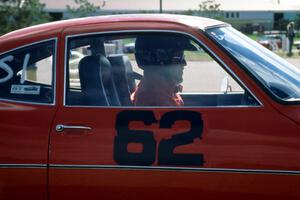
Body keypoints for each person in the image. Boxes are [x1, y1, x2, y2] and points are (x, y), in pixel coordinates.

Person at [131, 34, 196, 106]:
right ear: (158, 60)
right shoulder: (158, 100)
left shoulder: (162, 89)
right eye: (178, 58)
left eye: (183, 57)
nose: (184, 63)